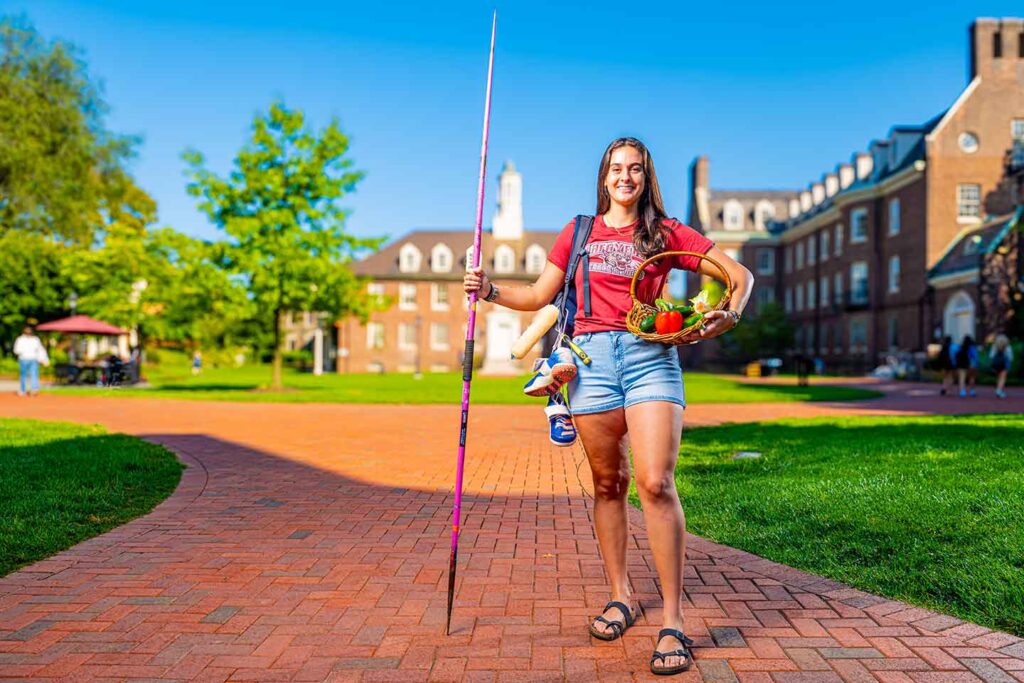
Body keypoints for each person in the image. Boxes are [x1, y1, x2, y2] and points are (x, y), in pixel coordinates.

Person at [464, 138, 753, 675]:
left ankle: (672, 620)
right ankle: (620, 596)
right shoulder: (578, 232)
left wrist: (729, 314)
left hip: (651, 357)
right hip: (589, 362)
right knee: (606, 483)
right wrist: (489, 290)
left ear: (646, 177)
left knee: (655, 483)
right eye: (616, 168)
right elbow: (539, 296)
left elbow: (740, 276)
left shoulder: (668, 233)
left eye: (635, 169)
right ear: (603, 177)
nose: (625, 177)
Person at [12, 325, 48, 396]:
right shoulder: (20, 339)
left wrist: (44, 359)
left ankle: (34, 389)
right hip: (23, 359)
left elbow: (40, 350)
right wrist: (22, 352)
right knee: (23, 375)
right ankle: (23, 390)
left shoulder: (35, 339)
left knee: (34, 374)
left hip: (33, 359)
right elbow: (16, 350)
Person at [989, 334, 1013, 399]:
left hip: (996, 364)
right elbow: (1010, 357)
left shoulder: (994, 346)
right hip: (1004, 364)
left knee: (999, 377)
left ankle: (999, 390)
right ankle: (999, 391)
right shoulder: (1007, 347)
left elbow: (991, 356)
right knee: (1003, 378)